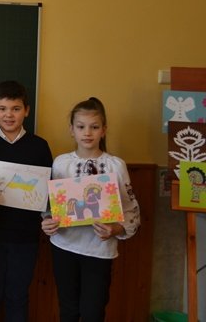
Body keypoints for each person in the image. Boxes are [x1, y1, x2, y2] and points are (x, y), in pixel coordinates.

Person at [41, 97, 140, 322]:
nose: (87, 133)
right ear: (72, 130)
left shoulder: (115, 165)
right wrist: (47, 221)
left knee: (93, 312)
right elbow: (50, 205)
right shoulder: (61, 163)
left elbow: (130, 208)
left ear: (103, 130)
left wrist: (115, 229)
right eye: (81, 127)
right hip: (64, 246)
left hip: (99, 250)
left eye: (94, 127)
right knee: (68, 310)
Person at [0, 80, 52, 322]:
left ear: (26, 110)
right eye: (2, 108)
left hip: (25, 236)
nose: (9, 115)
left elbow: (48, 192)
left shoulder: (39, 146)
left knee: (17, 296)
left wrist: (49, 217)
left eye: (16, 109)